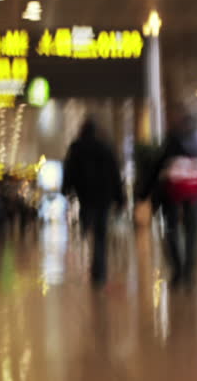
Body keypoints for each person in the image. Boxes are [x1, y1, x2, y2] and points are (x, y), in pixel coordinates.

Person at [140, 105, 197, 289]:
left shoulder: (171, 142)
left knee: (171, 230)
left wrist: (144, 192)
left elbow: (157, 167)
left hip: (172, 195)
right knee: (192, 233)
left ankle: (178, 270)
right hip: (194, 196)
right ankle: (189, 272)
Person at [62, 118, 124, 287]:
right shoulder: (105, 147)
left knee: (90, 224)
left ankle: (86, 230)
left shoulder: (76, 148)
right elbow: (115, 173)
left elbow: (69, 170)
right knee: (101, 233)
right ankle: (100, 272)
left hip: (86, 195)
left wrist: (66, 189)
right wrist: (120, 198)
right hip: (104, 196)